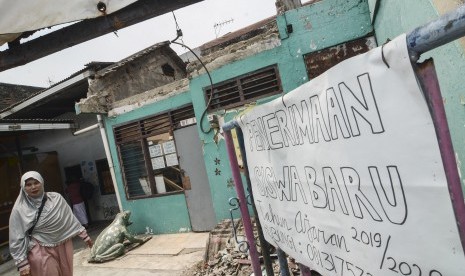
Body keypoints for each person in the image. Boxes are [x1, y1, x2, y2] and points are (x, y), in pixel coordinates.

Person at [9, 171, 93, 276]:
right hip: (39, 247)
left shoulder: (56, 198)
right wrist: (22, 263)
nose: (33, 187)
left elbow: (69, 218)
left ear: (42, 183)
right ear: (23, 187)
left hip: (63, 244)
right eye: (28, 184)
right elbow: (16, 236)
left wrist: (85, 236)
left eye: (36, 182)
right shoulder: (19, 209)